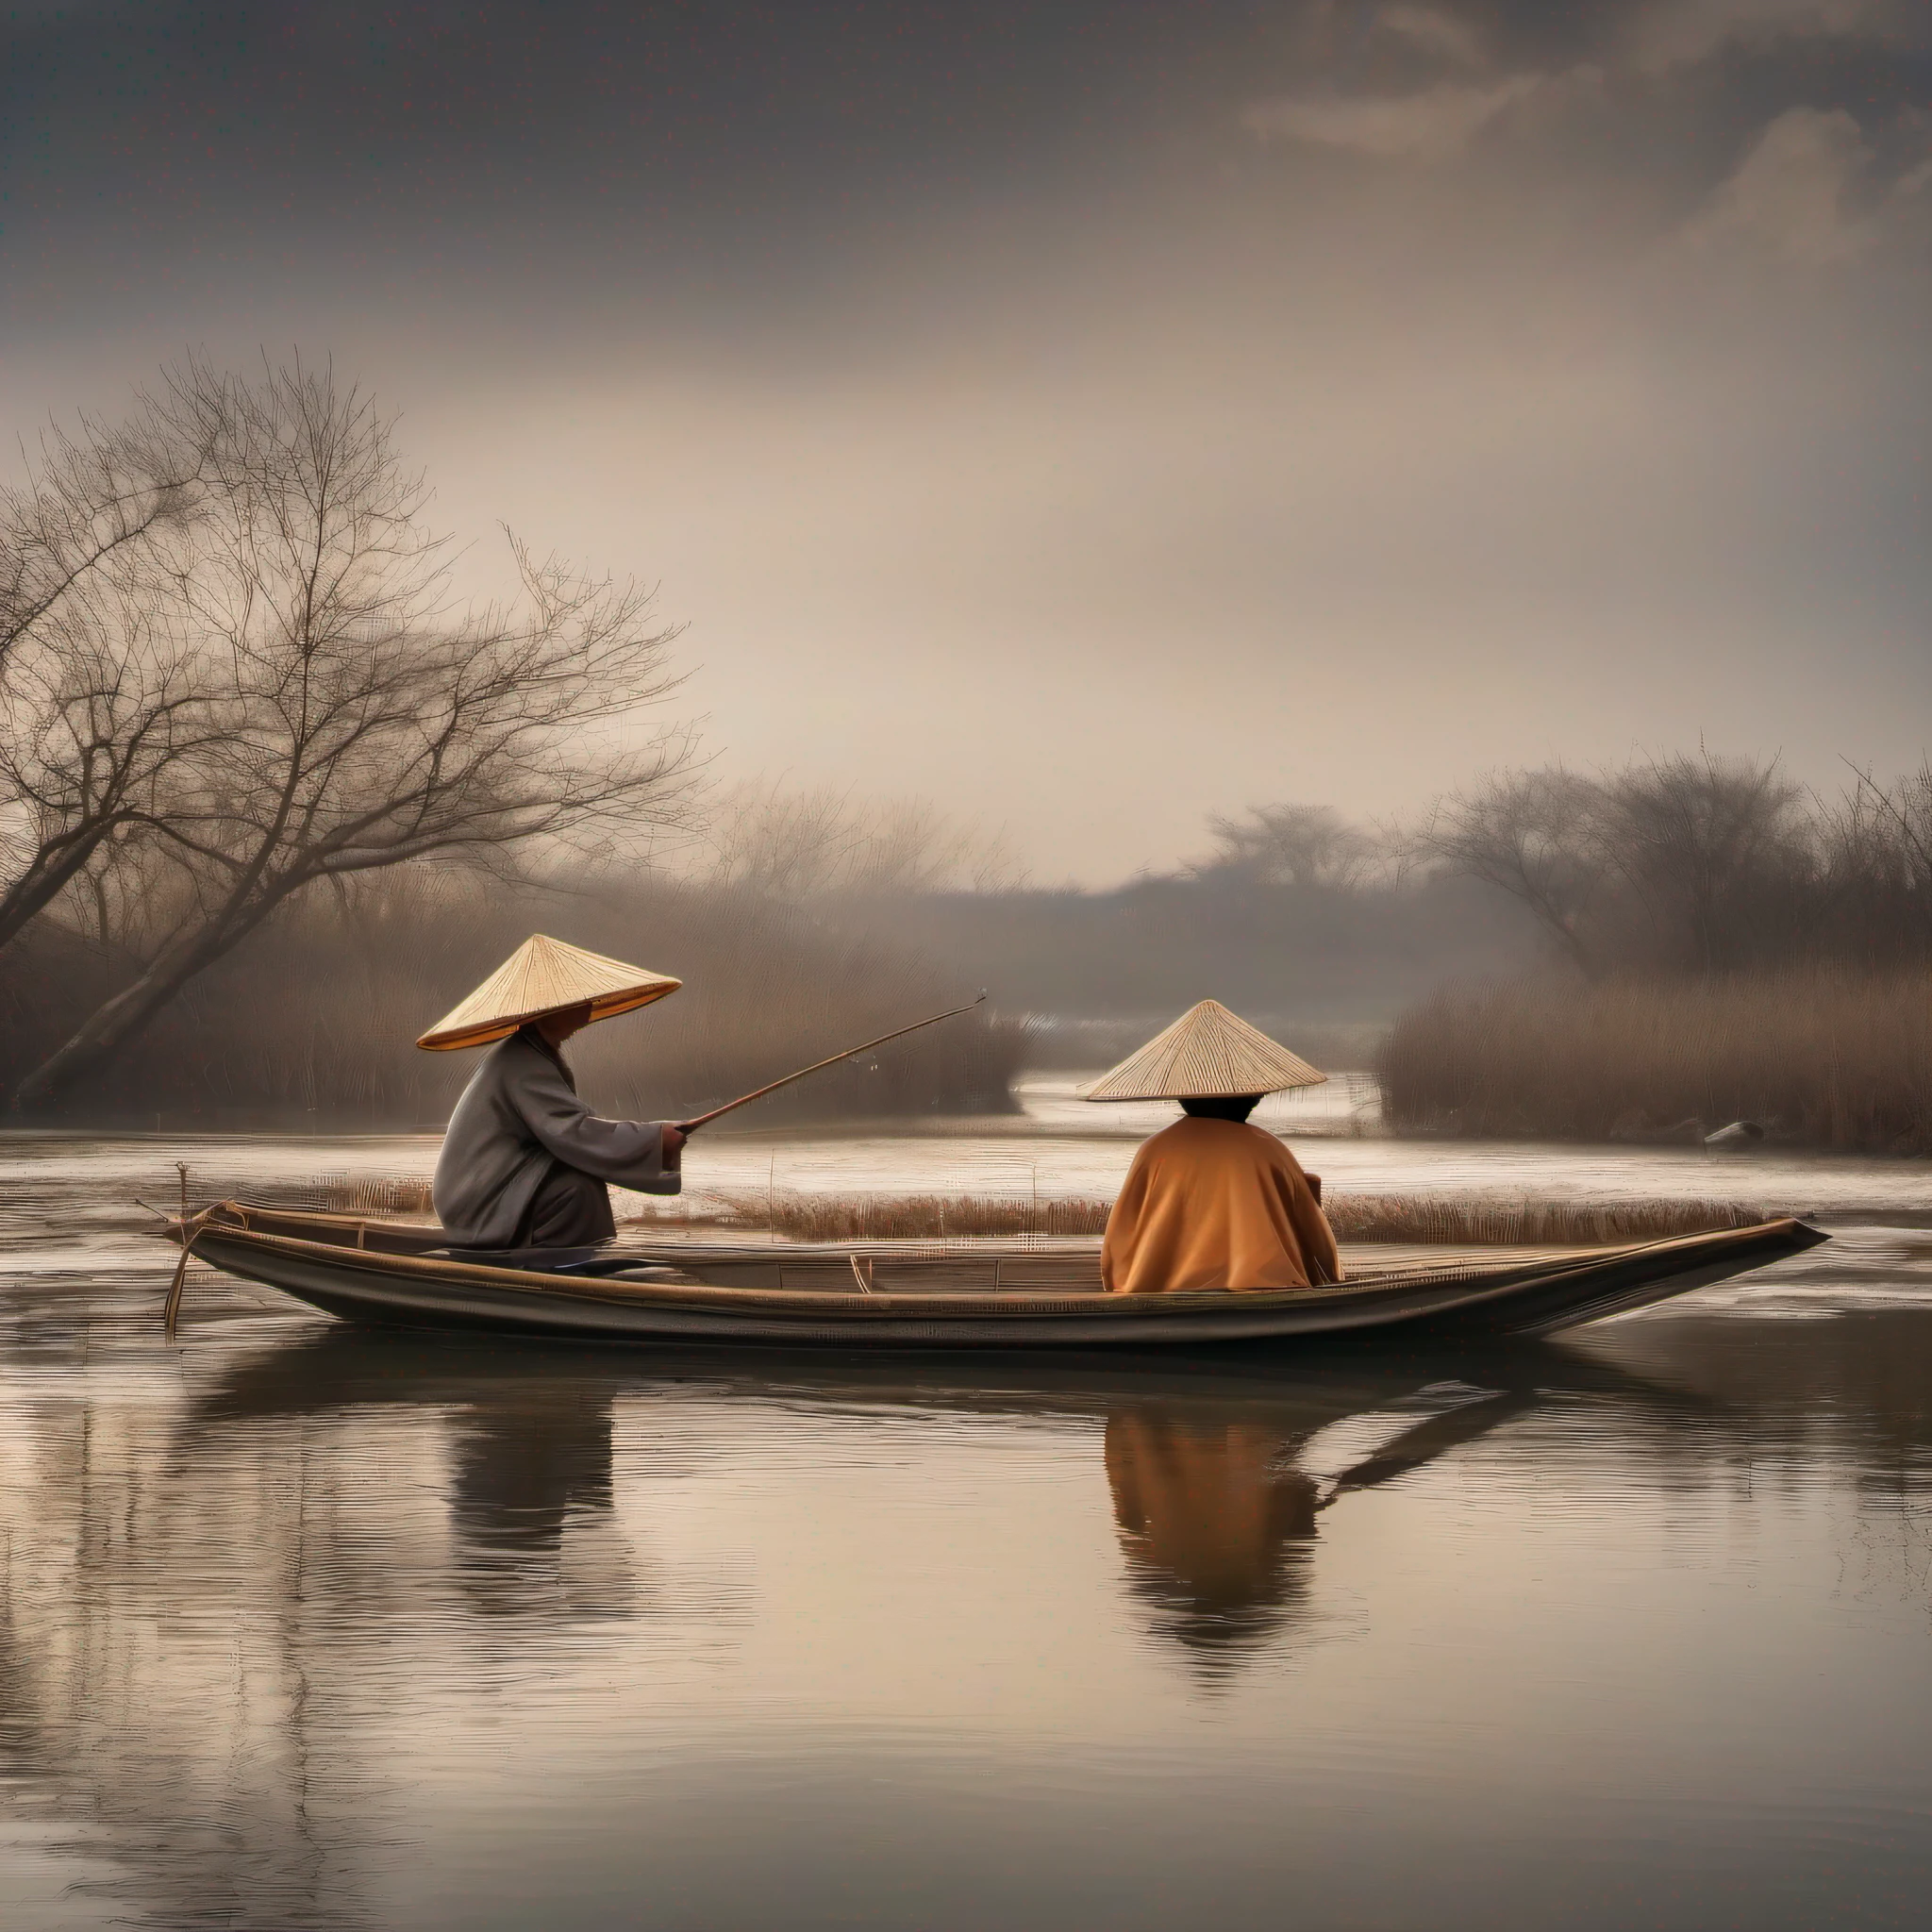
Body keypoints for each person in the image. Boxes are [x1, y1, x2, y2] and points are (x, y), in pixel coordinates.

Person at [417, 934, 687, 1250]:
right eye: (581, 1000)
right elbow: (572, 1131)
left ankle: (570, 1263)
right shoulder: (522, 1063)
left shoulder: (531, 1054)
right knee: (578, 1189)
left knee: (579, 1183)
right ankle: (559, 1270)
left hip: (491, 1185)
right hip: (480, 1196)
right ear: (554, 1008)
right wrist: (655, 1140)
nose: (588, 1009)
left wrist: (655, 1139)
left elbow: (568, 1129)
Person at [1086, 998, 1341, 1293]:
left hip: (1160, 1292)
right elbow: (1318, 1249)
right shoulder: (1268, 1151)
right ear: (1252, 1098)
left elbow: (1118, 1248)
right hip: (1262, 1292)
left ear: (1183, 1096)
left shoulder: (1154, 1151)